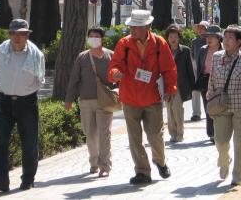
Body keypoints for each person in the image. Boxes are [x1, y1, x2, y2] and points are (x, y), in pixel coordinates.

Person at [108, 10, 177, 185]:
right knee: (134, 138)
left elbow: (169, 69)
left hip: (152, 97)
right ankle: (142, 171)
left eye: (136, 26)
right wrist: (114, 73)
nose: (132, 28)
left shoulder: (159, 43)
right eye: (131, 25)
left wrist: (170, 88)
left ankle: (160, 161)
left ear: (146, 26)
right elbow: (114, 65)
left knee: (155, 135)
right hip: (129, 97)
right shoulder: (124, 44)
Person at [0, 19, 45, 193]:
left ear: (27, 35)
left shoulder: (36, 56)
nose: (16, 37)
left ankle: (27, 179)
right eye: (13, 33)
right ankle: (0, 181)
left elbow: (39, 80)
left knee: (29, 142)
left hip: (27, 102)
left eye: (21, 33)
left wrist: (25, 91)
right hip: (4, 100)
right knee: (0, 142)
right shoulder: (1, 51)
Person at [206, 26, 241, 187]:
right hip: (221, 107)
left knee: (240, 142)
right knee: (220, 141)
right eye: (225, 37)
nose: (226, 41)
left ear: (239, 42)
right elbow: (212, 81)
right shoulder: (217, 57)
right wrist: (210, 102)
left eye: (231, 38)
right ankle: (224, 160)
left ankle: (237, 176)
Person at [65, 27, 115, 177]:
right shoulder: (82, 57)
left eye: (96, 37)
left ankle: (105, 165)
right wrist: (69, 99)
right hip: (86, 101)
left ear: (102, 39)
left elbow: (118, 77)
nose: (93, 39)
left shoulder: (111, 56)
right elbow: (74, 79)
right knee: (90, 134)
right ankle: (94, 162)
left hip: (105, 101)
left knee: (104, 134)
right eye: (91, 36)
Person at [164, 24, 195, 143]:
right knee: (169, 109)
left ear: (179, 37)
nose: (173, 39)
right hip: (167, 84)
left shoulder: (185, 50)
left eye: (175, 36)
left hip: (179, 84)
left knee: (177, 108)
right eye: (171, 36)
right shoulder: (163, 50)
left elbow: (190, 69)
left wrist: (192, 85)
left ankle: (180, 133)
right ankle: (172, 133)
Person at [195, 24, 223, 142]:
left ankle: (220, 132)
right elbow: (199, 66)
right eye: (207, 37)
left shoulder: (224, 50)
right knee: (208, 107)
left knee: (220, 108)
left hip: (220, 81)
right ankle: (211, 133)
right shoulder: (203, 50)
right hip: (206, 80)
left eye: (212, 36)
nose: (209, 39)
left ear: (218, 38)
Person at [190, 21, 209, 121]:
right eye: (199, 28)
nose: (200, 30)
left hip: (207, 68)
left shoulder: (209, 41)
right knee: (195, 90)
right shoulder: (194, 41)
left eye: (203, 28)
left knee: (207, 91)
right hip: (196, 68)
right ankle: (196, 113)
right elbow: (192, 56)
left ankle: (209, 112)